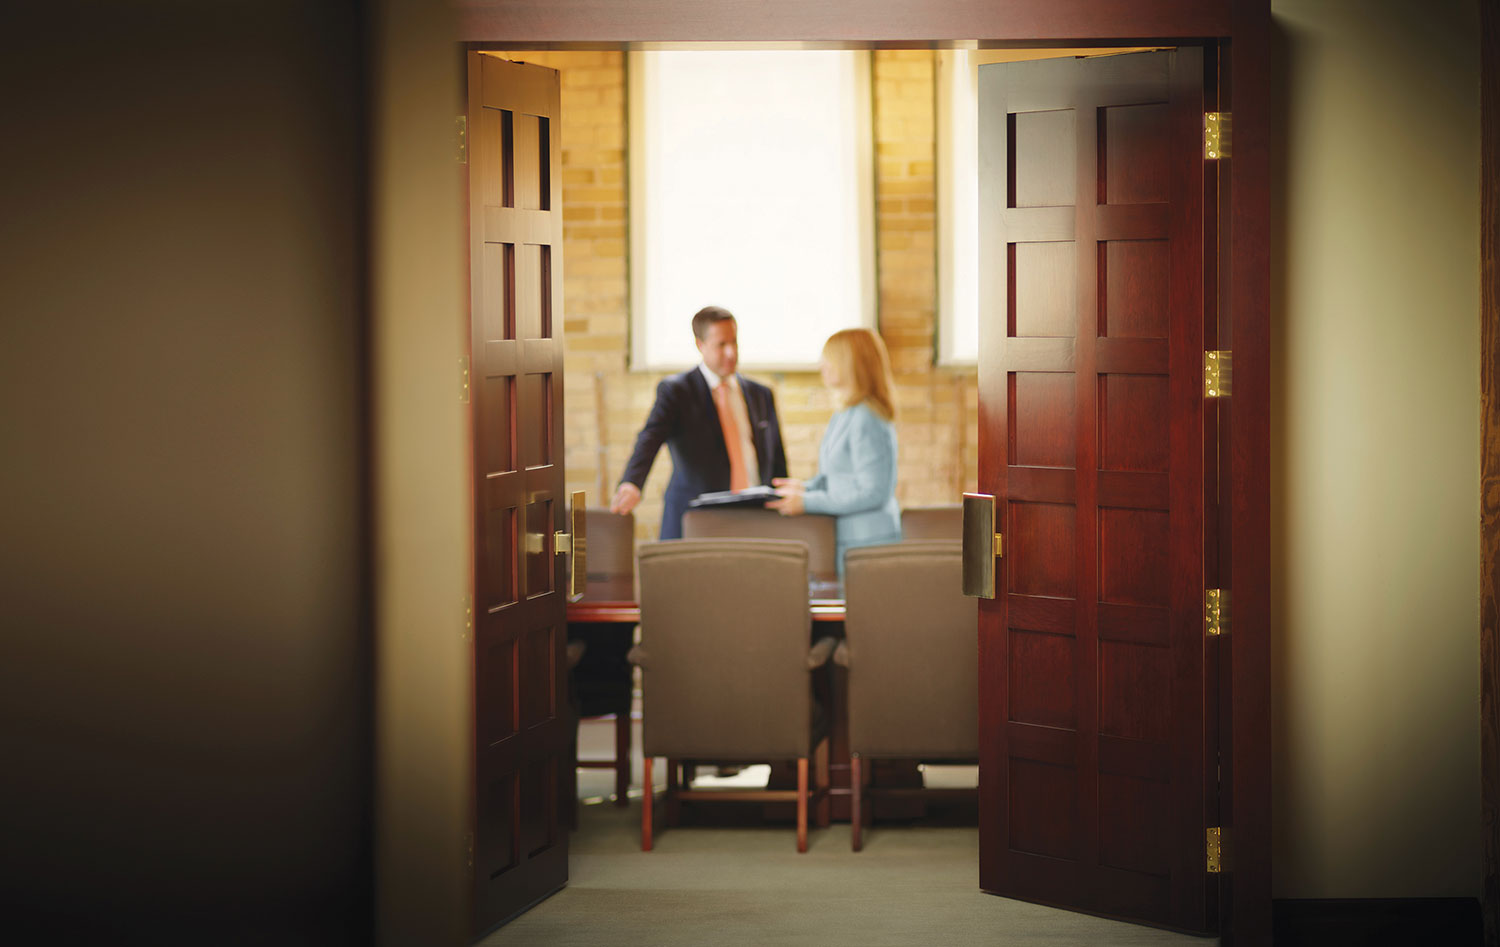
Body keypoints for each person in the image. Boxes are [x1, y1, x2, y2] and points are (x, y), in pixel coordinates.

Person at [610, 305, 788, 540]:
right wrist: (632, 483)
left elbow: (777, 459)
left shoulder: (761, 394)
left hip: (754, 518)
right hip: (696, 520)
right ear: (700, 345)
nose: (731, 353)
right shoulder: (676, 391)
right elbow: (650, 438)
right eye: (721, 345)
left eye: (734, 342)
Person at [767, 327, 901, 574]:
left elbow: (874, 492)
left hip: (870, 541)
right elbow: (839, 478)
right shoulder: (846, 414)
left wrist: (807, 502)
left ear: (850, 363)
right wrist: (804, 487)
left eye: (829, 358)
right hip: (850, 539)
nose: (822, 365)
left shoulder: (867, 417)